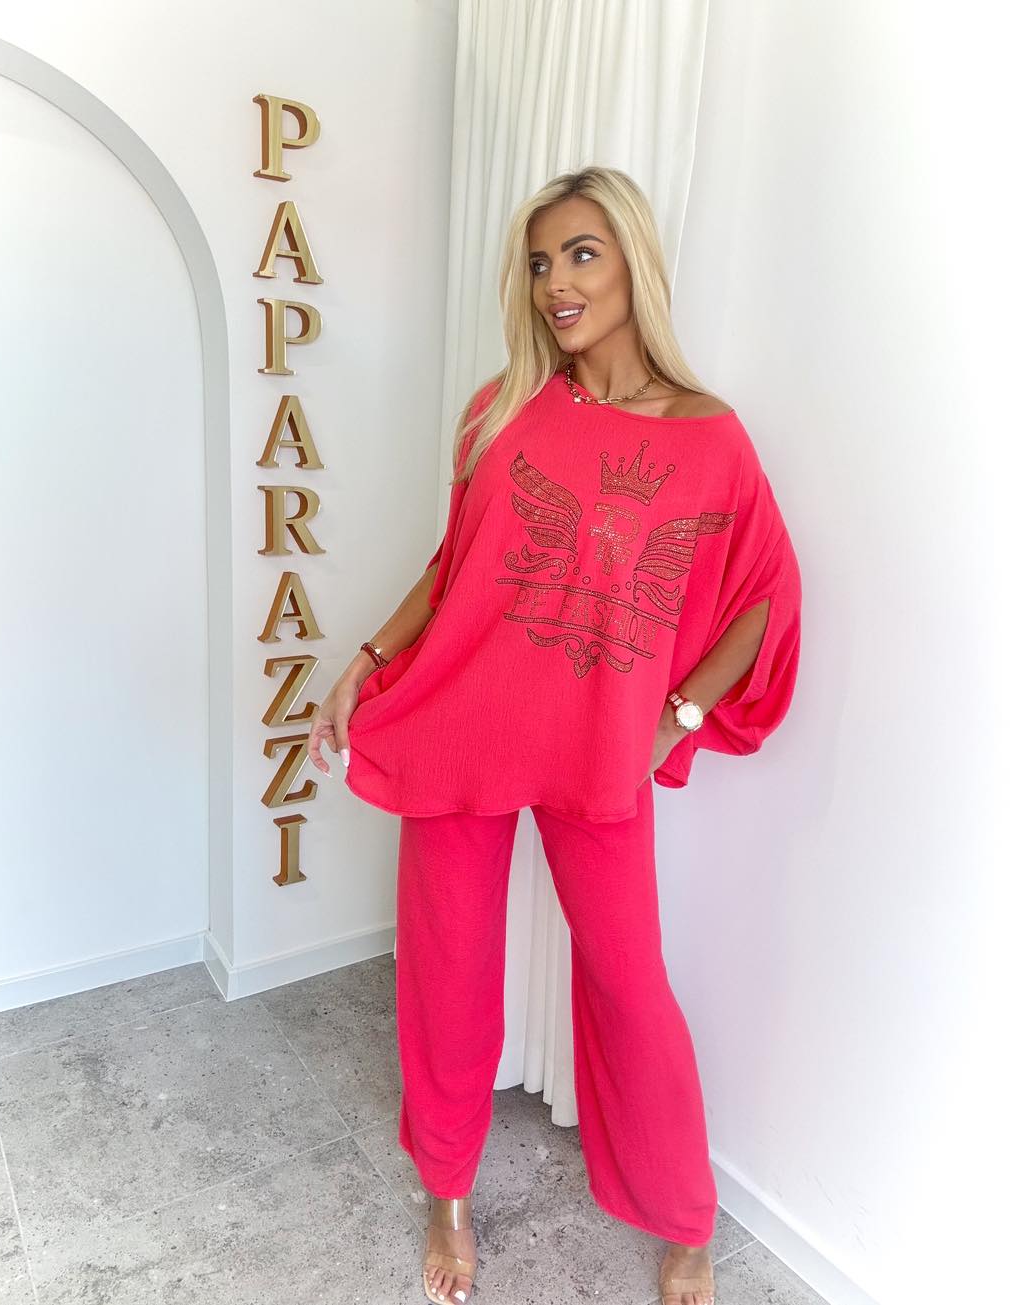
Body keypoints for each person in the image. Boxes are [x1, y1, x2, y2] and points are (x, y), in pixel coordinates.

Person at [308, 165, 802, 1305]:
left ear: (634, 263)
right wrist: (366, 661)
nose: (555, 285)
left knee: (631, 982)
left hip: (596, 750)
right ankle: (447, 1191)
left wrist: (672, 717)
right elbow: (454, 569)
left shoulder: (711, 438)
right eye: (540, 264)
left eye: (581, 254)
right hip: (464, 728)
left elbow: (762, 595)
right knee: (448, 971)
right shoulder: (503, 408)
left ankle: (683, 1214)